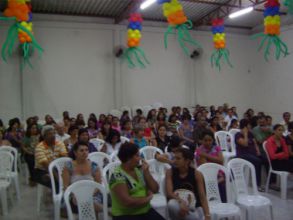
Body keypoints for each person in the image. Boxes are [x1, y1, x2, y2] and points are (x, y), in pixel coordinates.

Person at [109, 142, 164, 220]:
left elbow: (155, 189)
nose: (140, 159)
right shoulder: (117, 175)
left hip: (145, 211)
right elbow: (127, 202)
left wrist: (147, 172)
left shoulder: (138, 170)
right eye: (137, 156)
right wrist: (148, 198)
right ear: (128, 158)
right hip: (126, 215)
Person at [166, 148, 210, 220]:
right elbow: (169, 193)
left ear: (187, 161)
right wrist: (181, 202)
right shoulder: (170, 172)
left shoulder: (196, 174)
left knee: (199, 213)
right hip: (178, 203)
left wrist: (207, 215)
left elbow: (202, 197)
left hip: (194, 206)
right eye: (174, 158)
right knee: (171, 205)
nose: (174, 161)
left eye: (178, 158)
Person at [62, 141, 103, 214]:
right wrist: (73, 195)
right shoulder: (68, 166)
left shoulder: (94, 166)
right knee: (82, 201)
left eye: (86, 150)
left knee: (91, 202)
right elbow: (65, 186)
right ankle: (107, 212)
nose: (85, 152)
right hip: (74, 195)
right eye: (81, 150)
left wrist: (90, 194)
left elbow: (98, 184)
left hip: (92, 194)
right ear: (75, 152)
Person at [194, 131, 226, 202]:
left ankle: (223, 202)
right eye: (205, 140)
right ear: (201, 140)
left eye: (210, 140)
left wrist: (205, 155)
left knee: (222, 185)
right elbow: (203, 166)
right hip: (206, 175)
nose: (208, 142)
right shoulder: (199, 150)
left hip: (218, 173)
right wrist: (214, 159)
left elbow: (221, 160)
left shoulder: (217, 148)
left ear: (213, 140)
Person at [235, 119, 265, 190]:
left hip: (252, 153)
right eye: (249, 125)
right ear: (245, 126)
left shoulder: (250, 134)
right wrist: (245, 134)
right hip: (243, 154)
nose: (250, 126)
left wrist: (258, 151)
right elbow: (245, 144)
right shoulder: (238, 135)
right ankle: (257, 184)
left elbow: (255, 143)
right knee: (258, 161)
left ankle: (270, 182)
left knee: (266, 159)